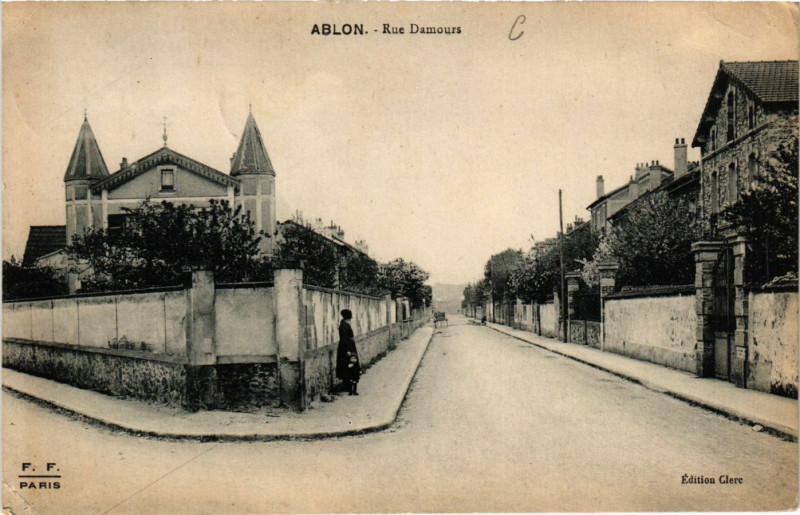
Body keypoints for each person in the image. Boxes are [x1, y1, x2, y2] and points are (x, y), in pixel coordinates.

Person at [336, 309, 361, 395]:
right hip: (346, 347)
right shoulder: (344, 326)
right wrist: (348, 350)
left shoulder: (344, 325)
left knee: (349, 365)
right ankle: (347, 386)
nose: (350, 320)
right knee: (348, 364)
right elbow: (344, 339)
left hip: (348, 346)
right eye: (349, 318)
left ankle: (347, 385)